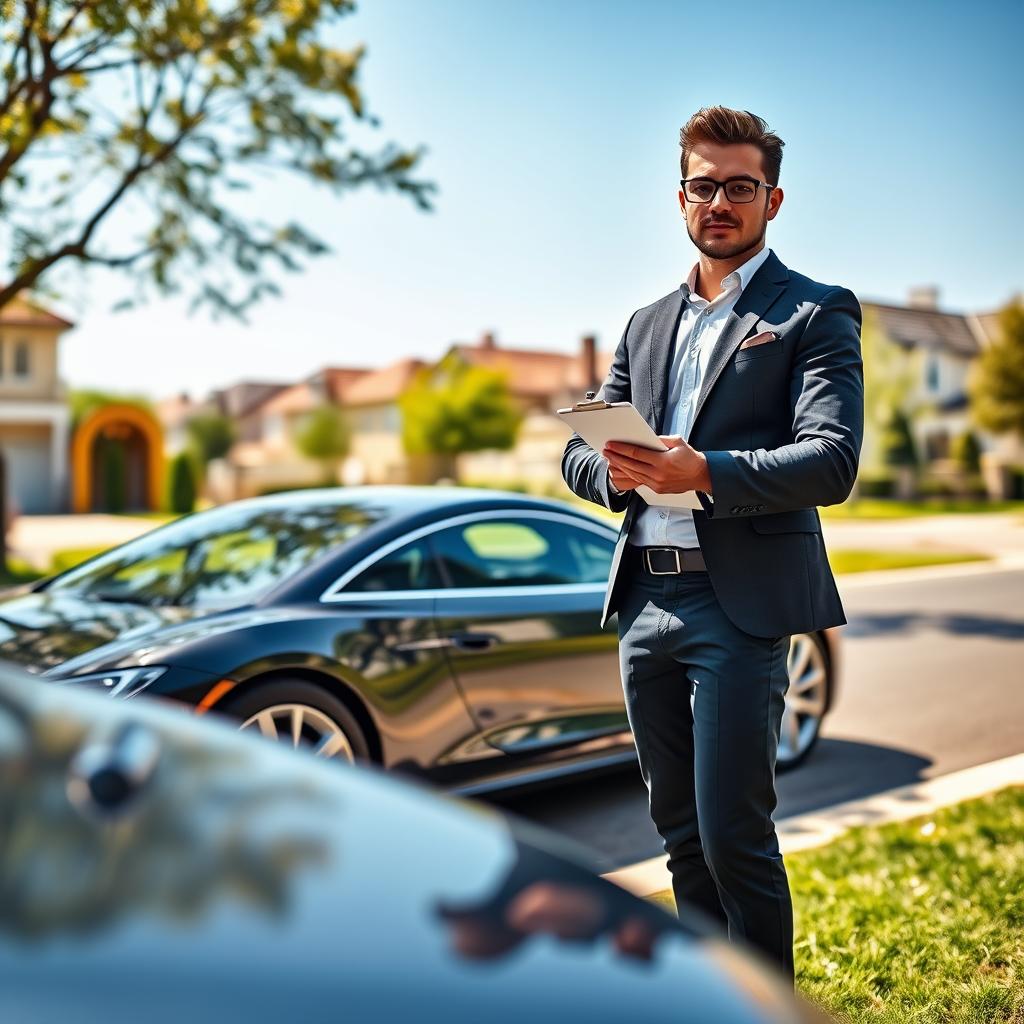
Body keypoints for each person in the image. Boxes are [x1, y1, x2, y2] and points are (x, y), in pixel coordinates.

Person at [560, 105, 864, 986]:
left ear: (773, 199)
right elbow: (579, 451)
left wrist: (708, 471)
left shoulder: (813, 311)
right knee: (680, 837)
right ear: (680, 196)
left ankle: (772, 1005)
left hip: (738, 606)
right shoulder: (645, 323)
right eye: (704, 185)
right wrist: (614, 473)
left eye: (740, 187)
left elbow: (831, 459)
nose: (720, 202)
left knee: (734, 834)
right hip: (643, 603)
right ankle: (713, 999)